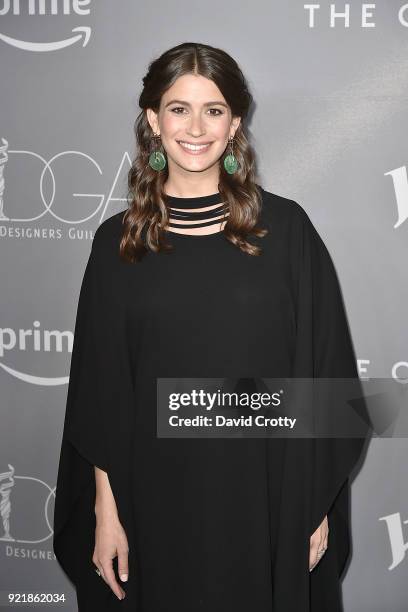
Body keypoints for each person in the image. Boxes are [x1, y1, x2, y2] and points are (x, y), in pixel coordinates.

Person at [53, 42, 368, 611]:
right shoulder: (116, 243)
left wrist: (314, 504)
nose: (195, 127)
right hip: (152, 499)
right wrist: (106, 510)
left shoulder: (288, 231)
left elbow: (327, 377)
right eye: (178, 109)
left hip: (264, 494)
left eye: (214, 110)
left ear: (235, 123)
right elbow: (101, 394)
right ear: (153, 119)